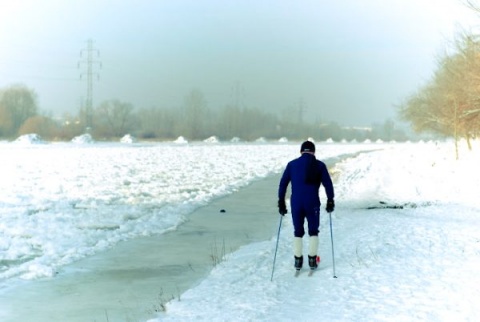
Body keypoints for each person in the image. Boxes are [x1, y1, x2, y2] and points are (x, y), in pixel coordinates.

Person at [278, 140, 335, 271]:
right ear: (313, 151)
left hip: (296, 203)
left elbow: (283, 184)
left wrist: (281, 202)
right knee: (313, 230)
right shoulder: (319, 165)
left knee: (298, 231)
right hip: (312, 202)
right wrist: (330, 200)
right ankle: (312, 260)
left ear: (301, 151)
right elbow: (328, 184)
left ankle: (298, 261)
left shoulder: (292, 165)